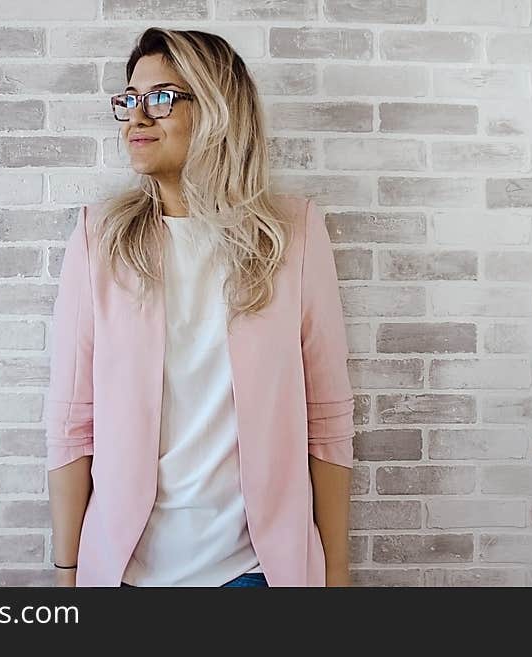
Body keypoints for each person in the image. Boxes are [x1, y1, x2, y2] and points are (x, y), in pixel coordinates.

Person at [45, 27, 356, 587]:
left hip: (256, 572)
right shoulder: (100, 240)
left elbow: (327, 419)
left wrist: (335, 574)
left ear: (217, 109)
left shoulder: (294, 236)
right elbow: (72, 423)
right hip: (125, 574)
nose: (138, 118)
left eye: (161, 98)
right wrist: (68, 571)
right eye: (130, 101)